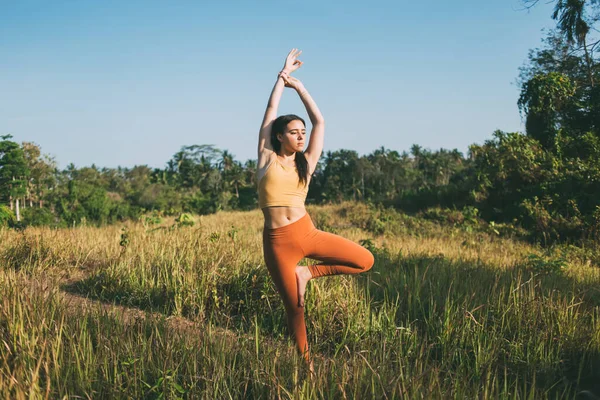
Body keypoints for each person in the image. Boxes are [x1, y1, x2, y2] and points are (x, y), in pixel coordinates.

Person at [256, 49, 375, 366]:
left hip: (306, 232)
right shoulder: (267, 159)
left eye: (302, 132)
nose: (300, 136)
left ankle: (306, 274)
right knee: (294, 309)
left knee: (365, 260)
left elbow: (319, 121)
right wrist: (281, 78)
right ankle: (305, 364)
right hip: (277, 242)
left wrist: (301, 87)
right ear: (279, 136)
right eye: (293, 132)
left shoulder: (306, 163)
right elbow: (270, 111)